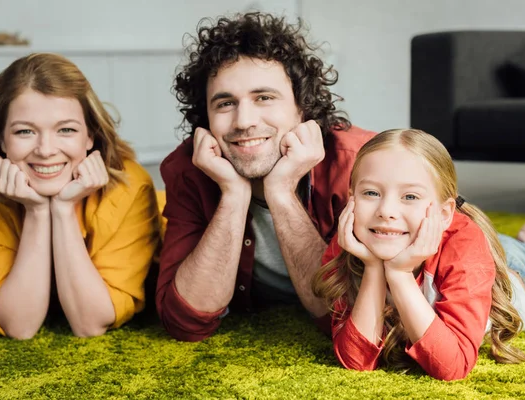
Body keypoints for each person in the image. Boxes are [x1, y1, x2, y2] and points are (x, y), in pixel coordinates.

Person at [156, 12, 375, 342]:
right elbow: (185, 322)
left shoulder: (359, 164)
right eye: (225, 103)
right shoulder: (189, 169)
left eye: (264, 98)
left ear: (302, 108)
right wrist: (233, 195)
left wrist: (281, 191)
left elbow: (349, 319)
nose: (244, 121)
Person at [313, 128, 525, 381]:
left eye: (410, 196)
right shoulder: (348, 245)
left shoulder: (464, 248)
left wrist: (399, 273)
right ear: (352, 200)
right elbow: (355, 359)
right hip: (424, 242)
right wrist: (373, 268)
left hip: (511, 272)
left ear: (444, 213)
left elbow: (453, 366)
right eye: (371, 193)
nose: (386, 211)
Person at [0, 53, 162, 339]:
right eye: (25, 131)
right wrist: (36, 212)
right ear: (1, 140)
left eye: (66, 130)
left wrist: (62, 209)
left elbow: (90, 323)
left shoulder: (130, 187)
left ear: (89, 137)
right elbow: (19, 326)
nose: (46, 150)